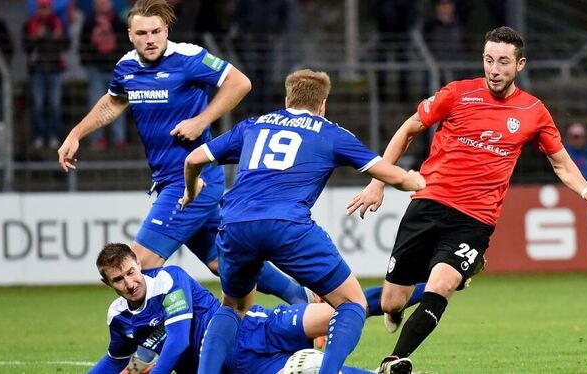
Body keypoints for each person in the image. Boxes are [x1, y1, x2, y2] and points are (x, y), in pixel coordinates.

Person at [346, 26, 587, 374]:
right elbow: (408, 128)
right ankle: (430, 290)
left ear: (520, 64)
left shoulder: (533, 111)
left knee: (442, 284)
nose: (494, 69)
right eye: (489, 60)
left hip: (475, 219)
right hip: (429, 202)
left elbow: (560, 161)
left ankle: (394, 361)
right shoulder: (457, 94)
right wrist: (379, 182)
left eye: (503, 62)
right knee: (391, 303)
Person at [58, 0, 311, 306]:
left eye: (155, 31)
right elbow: (113, 102)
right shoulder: (126, 67)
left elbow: (240, 83)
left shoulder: (188, 57)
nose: (150, 39)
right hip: (167, 180)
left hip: (194, 180)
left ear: (165, 31)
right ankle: (298, 297)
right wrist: (76, 134)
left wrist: (202, 120)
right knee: (224, 263)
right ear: (130, 35)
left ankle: (150, 348)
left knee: (141, 264)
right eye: (142, 33)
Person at [181, 69, 426, 374]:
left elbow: (193, 159)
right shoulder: (330, 132)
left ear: (287, 99)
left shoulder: (253, 125)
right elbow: (390, 174)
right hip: (286, 225)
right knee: (351, 302)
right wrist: (412, 180)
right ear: (322, 104)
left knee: (232, 306)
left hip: (236, 224)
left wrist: (191, 191)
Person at [91, 243, 421, 373]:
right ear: (110, 285)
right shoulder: (119, 318)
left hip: (256, 326)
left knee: (343, 309)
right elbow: (114, 359)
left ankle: (427, 288)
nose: (129, 282)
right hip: (240, 365)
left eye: (131, 271)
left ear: (138, 264)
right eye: (119, 280)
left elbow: (177, 341)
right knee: (303, 369)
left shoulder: (166, 279)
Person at [80, 0, 129, 150]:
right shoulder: (89, 23)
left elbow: (126, 44)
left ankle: (119, 138)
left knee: (117, 105)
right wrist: (88, 62)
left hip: (115, 70)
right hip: (96, 69)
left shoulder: (119, 23)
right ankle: (98, 139)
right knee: (96, 106)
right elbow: (83, 45)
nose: (101, 4)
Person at [24, 0, 70, 149]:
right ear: (37, 9)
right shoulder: (30, 25)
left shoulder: (58, 24)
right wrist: (36, 37)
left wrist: (59, 37)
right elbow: (25, 47)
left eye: (46, 8)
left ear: (50, 9)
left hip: (55, 69)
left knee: (54, 105)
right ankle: (39, 136)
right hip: (37, 71)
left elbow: (67, 44)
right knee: (38, 105)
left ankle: (54, 136)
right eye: (41, 8)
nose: (44, 11)